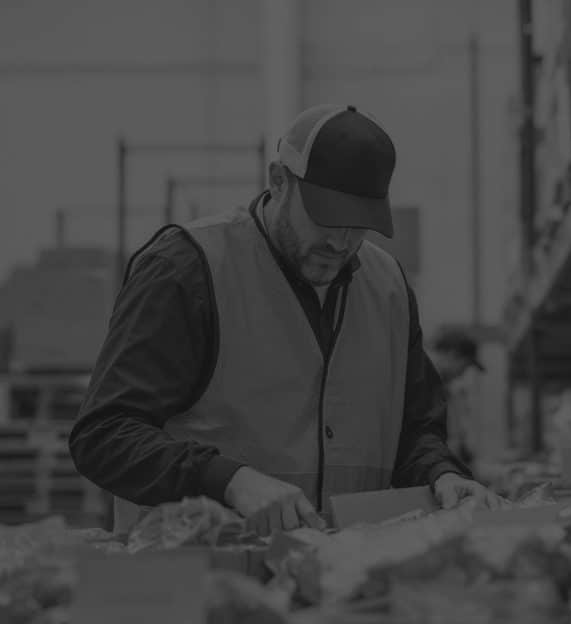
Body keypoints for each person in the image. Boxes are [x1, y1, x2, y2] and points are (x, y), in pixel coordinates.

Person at [71, 104, 501, 534]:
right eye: (326, 217)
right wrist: (229, 481)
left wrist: (442, 474)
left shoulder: (387, 286)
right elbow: (105, 435)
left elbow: (414, 429)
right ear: (279, 182)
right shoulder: (187, 270)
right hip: (198, 577)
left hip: (335, 578)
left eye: (359, 225)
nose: (341, 241)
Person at [429, 328, 485, 466]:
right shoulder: (425, 387)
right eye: (465, 366)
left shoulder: (447, 390)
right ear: (452, 355)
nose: (463, 373)